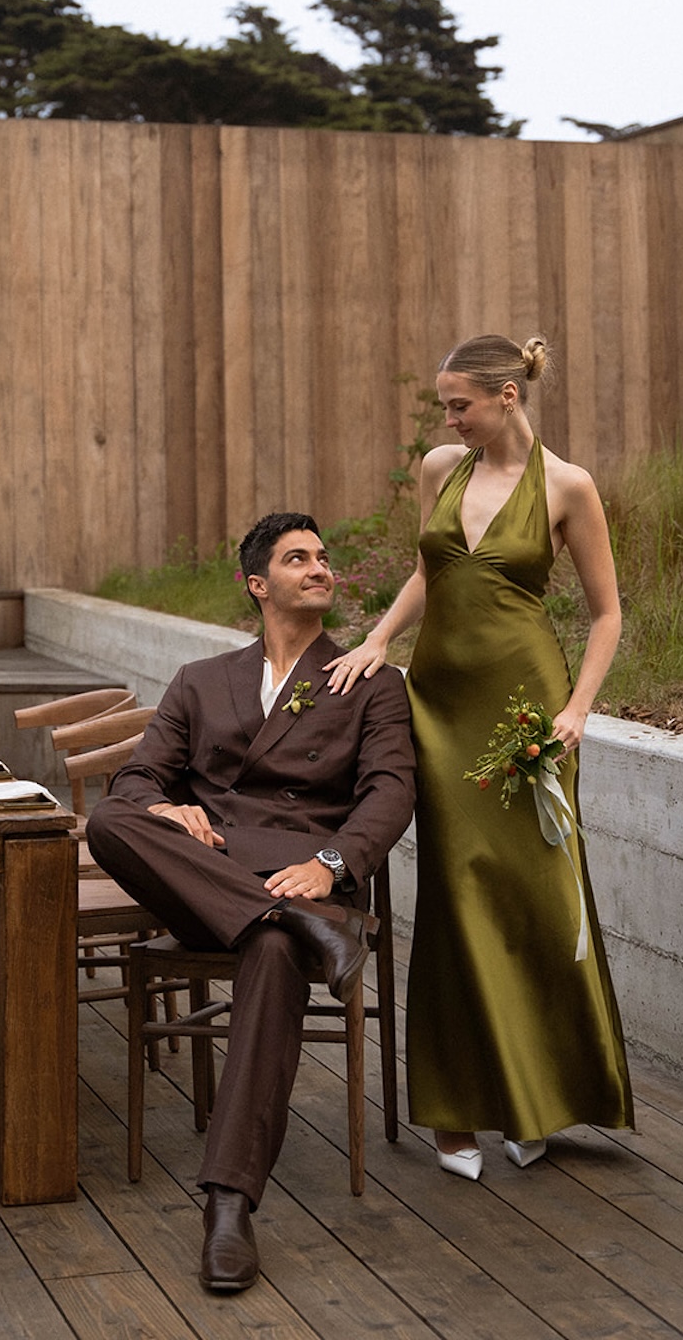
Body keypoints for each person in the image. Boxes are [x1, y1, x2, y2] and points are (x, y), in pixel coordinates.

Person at [326, 334, 633, 1180]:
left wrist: (576, 712)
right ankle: (460, 1111)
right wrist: (381, 637)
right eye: (444, 405)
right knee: (458, 899)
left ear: (508, 396)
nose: (447, 418)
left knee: (535, 897)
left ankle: (532, 1101)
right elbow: (434, 571)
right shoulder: (439, 469)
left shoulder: (569, 487)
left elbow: (607, 615)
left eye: (459, 403)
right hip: (440, 708)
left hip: (528, 713)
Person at [87, 512, 415, 1292]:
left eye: (324, 557)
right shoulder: (201, 680)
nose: (321, 568)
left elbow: (391, 792)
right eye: (298, 559)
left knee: (269, 953)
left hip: (304, 870)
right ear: (258, 585)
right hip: (217, 879)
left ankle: (228, 1204)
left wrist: (330, 865)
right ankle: (297, 923)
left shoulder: (372, 681)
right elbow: (135, 781)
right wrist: (167, 811)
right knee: (110, 821)